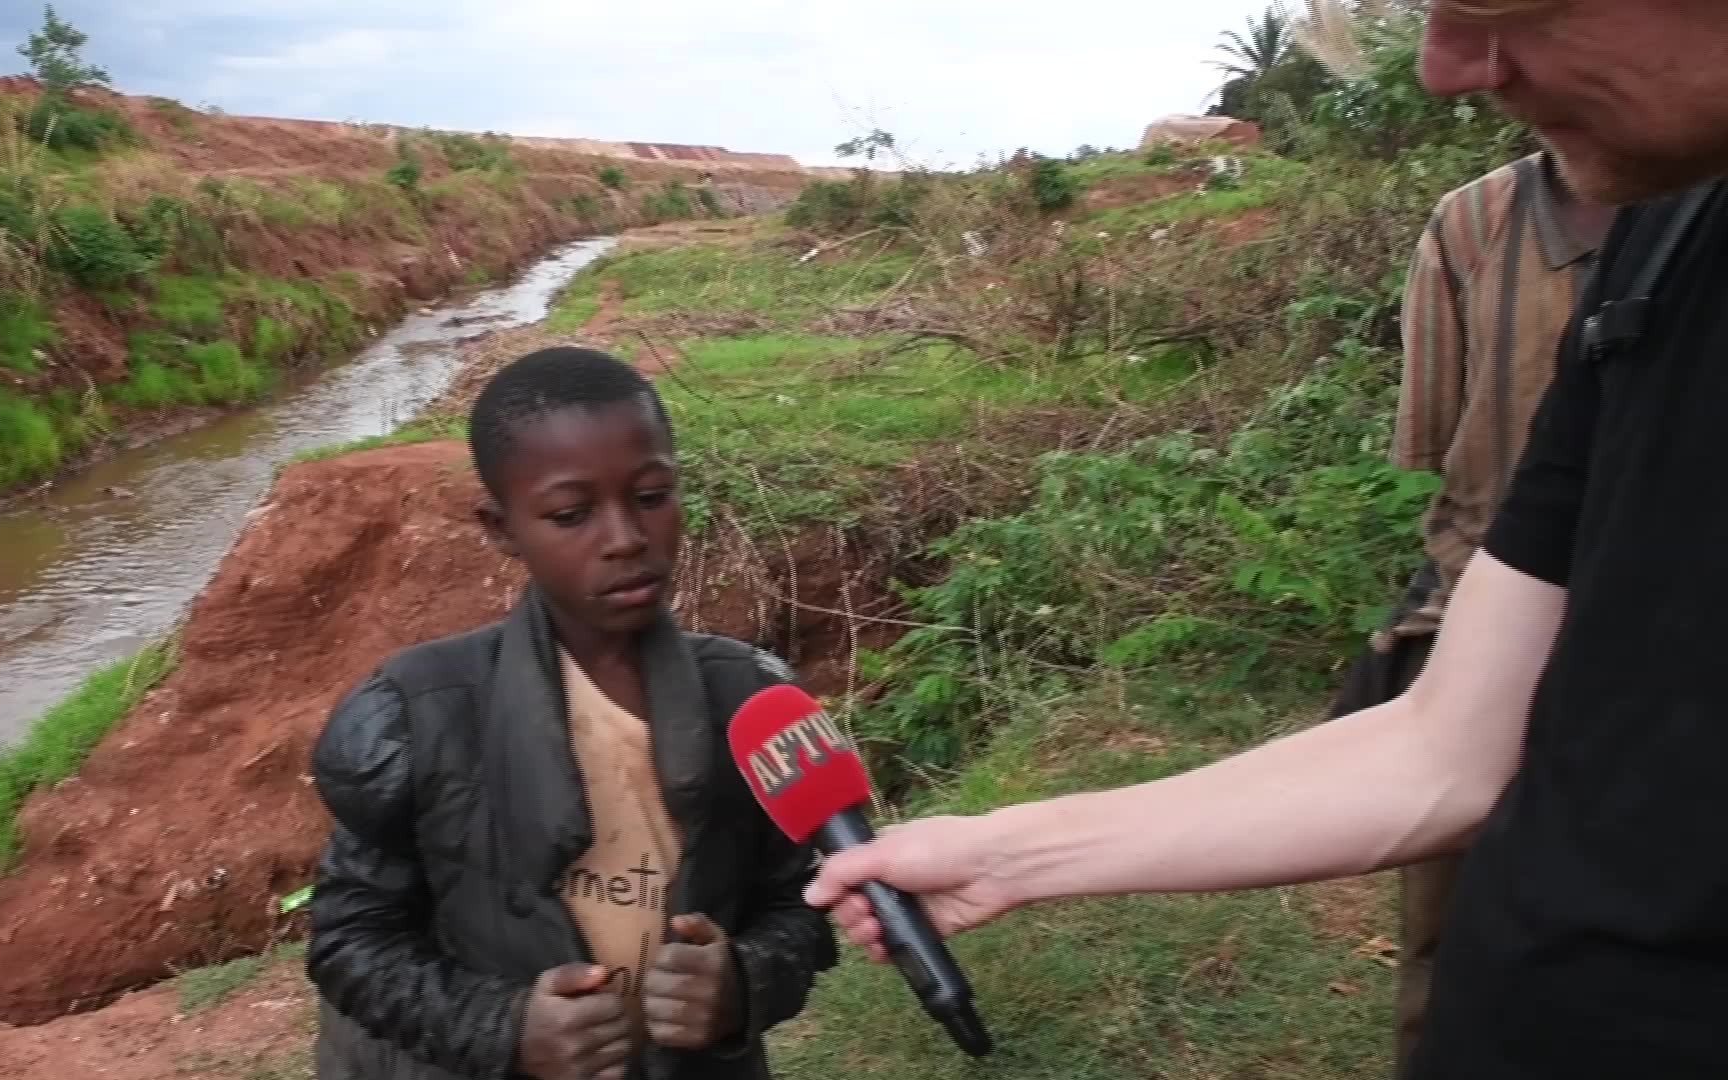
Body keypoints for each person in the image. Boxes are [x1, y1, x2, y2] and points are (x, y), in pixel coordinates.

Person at [806, 3, 1728, 1077]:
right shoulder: (1656, 250)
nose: (1443, 69)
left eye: (1498, 8)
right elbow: (1446, 747)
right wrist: (1006, 851)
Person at [305, 346, 836, 1080]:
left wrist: (746, 983)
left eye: (651, 497)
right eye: (571, 514)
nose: (624, 539)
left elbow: (800, 904)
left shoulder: (749, 702)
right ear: (500, 527)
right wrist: (503, 1026)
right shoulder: (416, 718)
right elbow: (350, 940)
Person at [1324, 146, 1613, 1075]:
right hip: (1480, 619)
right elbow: (1449, 448)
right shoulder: (1475, 223)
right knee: (1449, 942)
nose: (1460, 70)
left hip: (1659, 641)